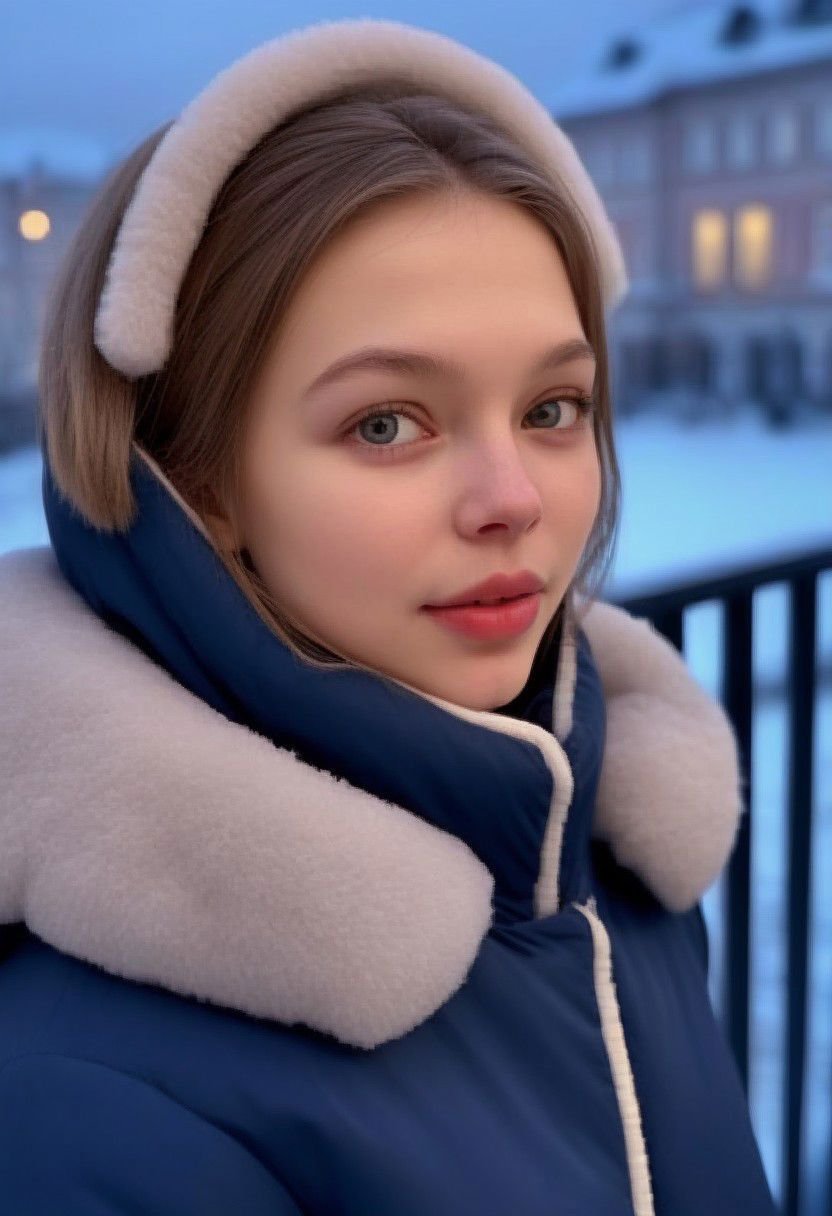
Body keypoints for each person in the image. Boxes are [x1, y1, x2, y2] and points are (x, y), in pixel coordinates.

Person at [0, 17, 777, 1215]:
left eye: (553, 407)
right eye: (385, 423)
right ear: (194, 483)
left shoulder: (607, 863)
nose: (511, 499)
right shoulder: (87, 1092)